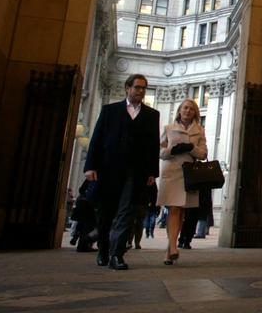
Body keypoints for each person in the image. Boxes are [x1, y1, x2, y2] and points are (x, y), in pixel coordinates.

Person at [83, 74, 161, 270]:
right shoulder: (110, 111)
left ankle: (117, 254)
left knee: (127, 213)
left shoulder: (152, 115)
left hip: (136, 172)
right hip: (109, 170)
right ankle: (103, 250)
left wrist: (152, 172)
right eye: (137, 87)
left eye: (144, 88)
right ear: (128, 88)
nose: (140, 91)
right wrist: (90, 166)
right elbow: (97, 139)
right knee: (106, 213)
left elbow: (153, 146)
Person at [157, 98, 208, 265]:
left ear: (195, 113)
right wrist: (172, 150)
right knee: (174, 209)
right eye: (185, 108)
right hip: (172, 172)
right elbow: (160, 151)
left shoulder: (200, 130)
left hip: (189, 175)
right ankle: (173, 247)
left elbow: (203, 154)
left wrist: (190, 148)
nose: (187, 111)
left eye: (191, 109)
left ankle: (169, 250)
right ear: (179, 110)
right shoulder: (169, 128)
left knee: (181, 212)